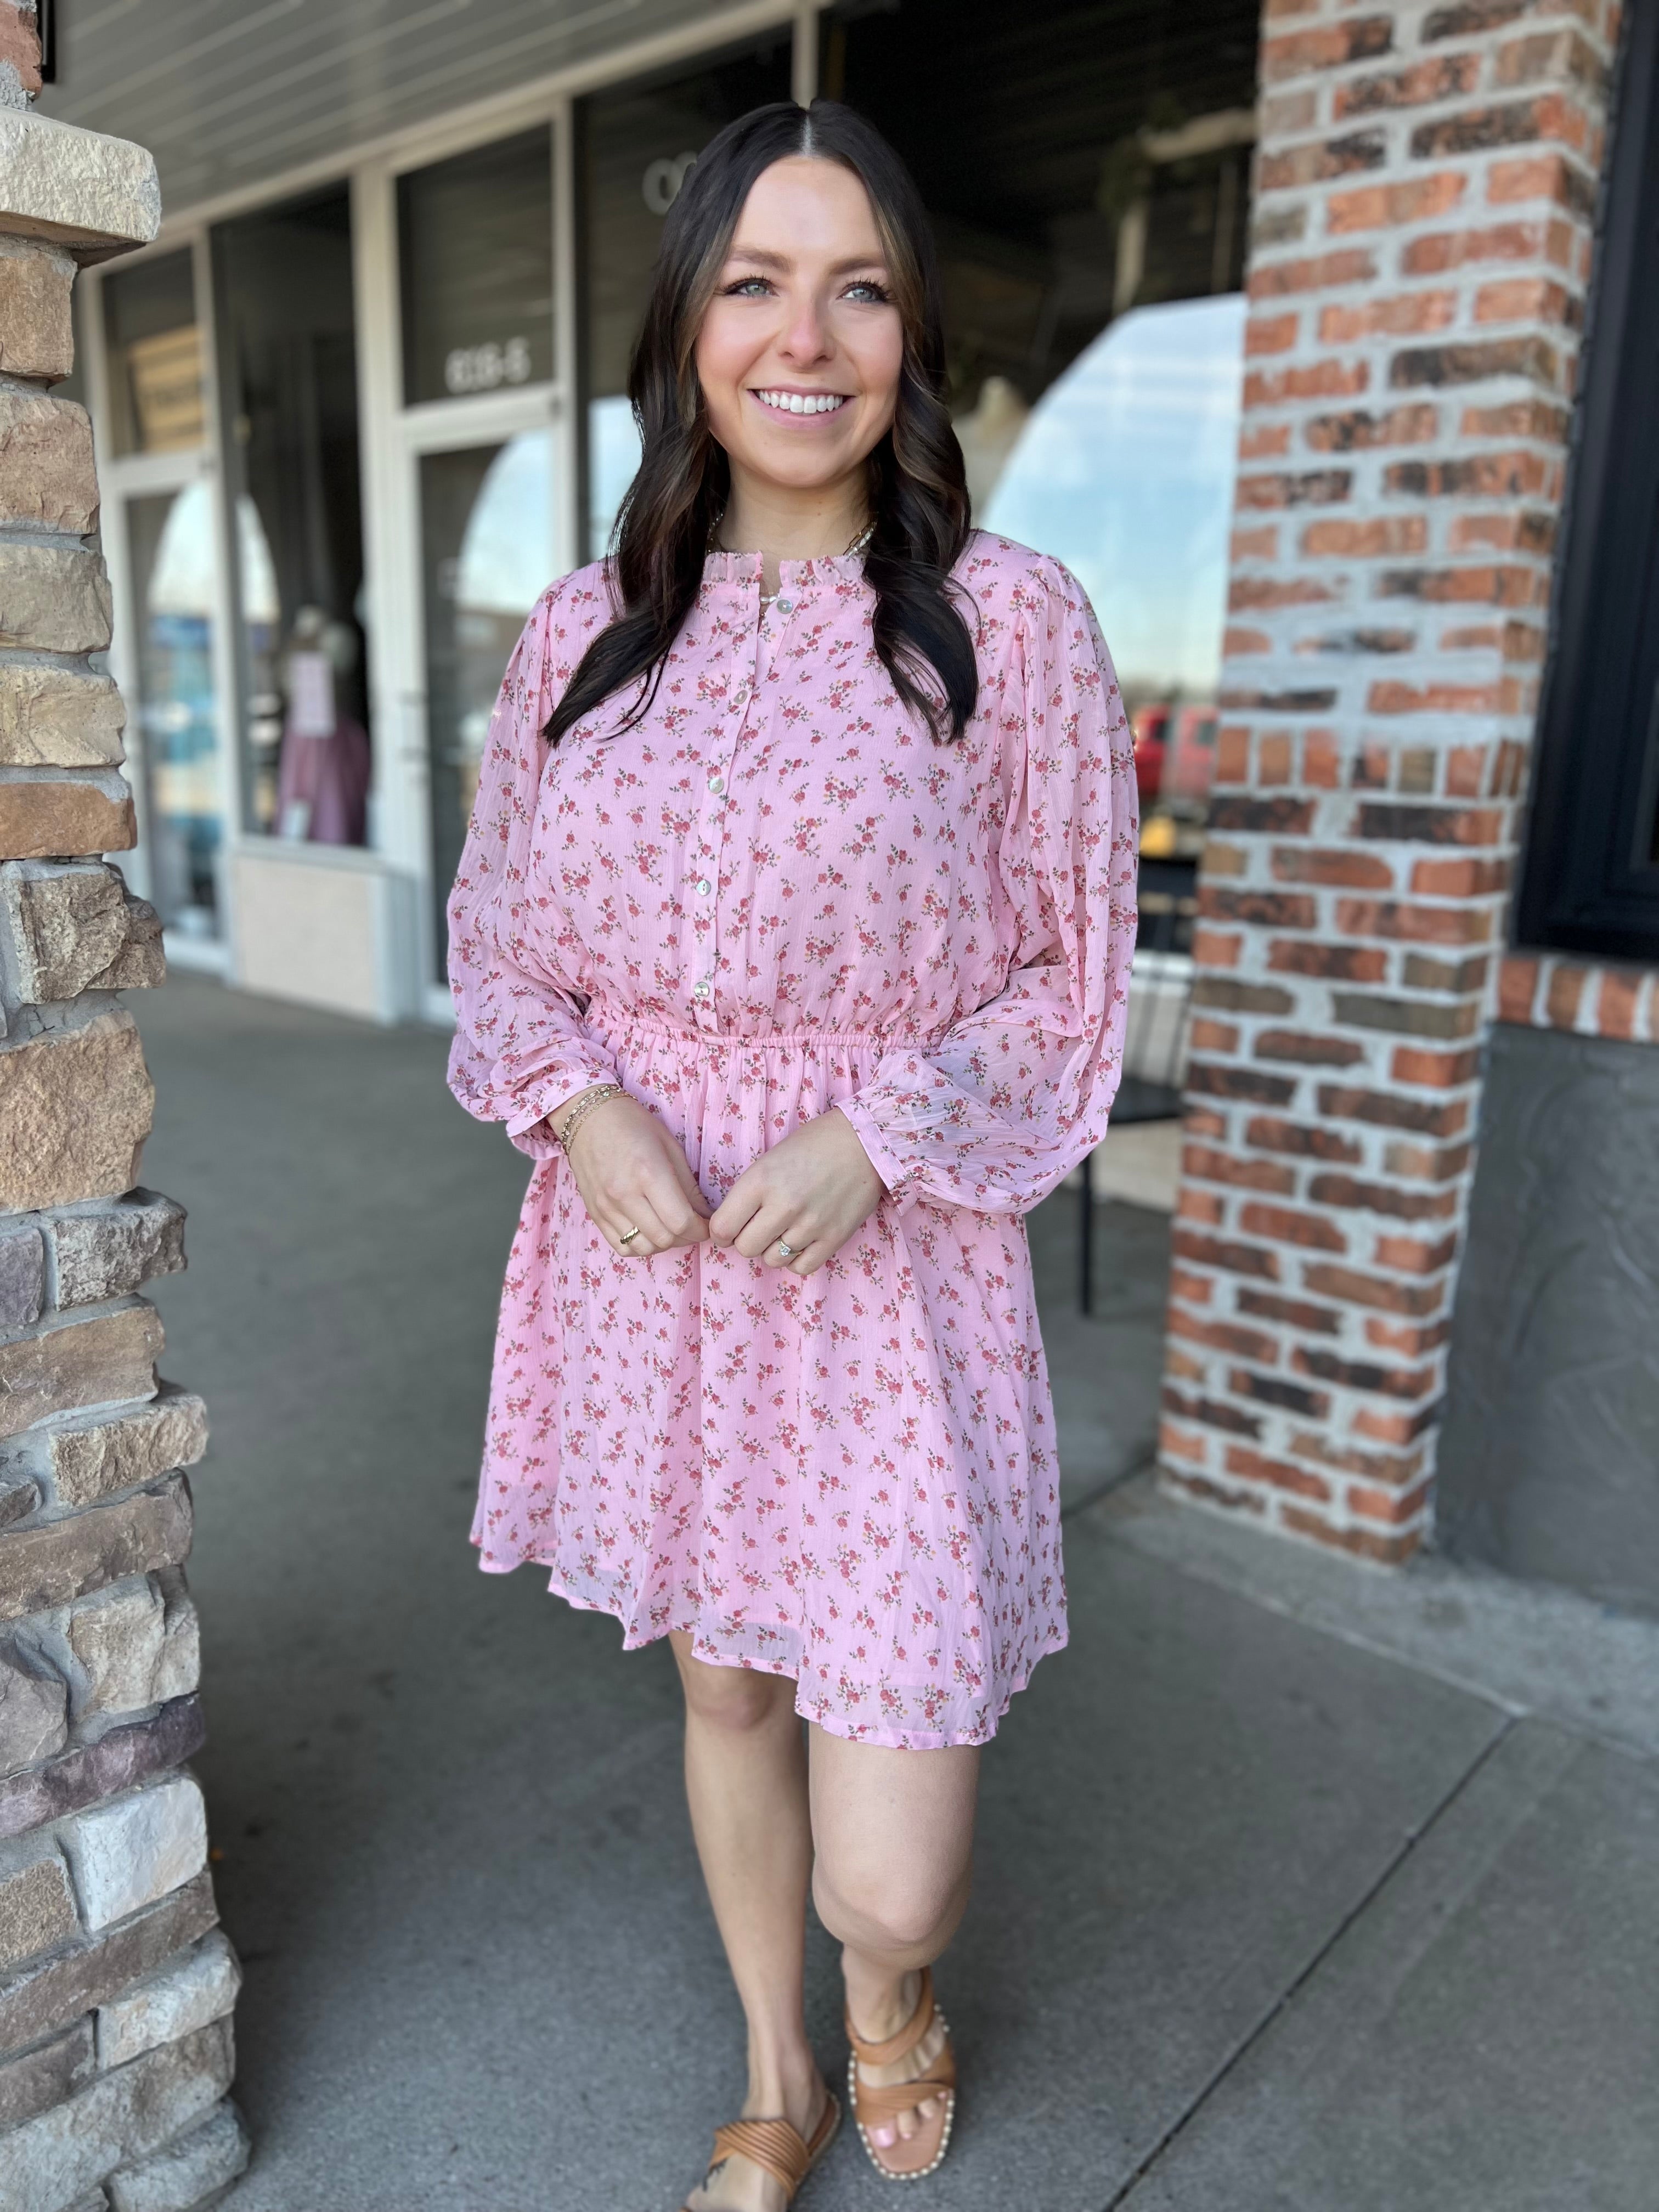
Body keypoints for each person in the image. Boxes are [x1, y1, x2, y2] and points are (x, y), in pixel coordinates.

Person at [447, 99, 1137, 2212]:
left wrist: (887, 1127)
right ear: (690, 329)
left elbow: (1072, 976)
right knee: (730, 1699)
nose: (804, 334)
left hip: (888, 1282)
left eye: (857, 285)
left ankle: (890, 1993)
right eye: (754, 281)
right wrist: (579, 1102)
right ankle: (781, 2074)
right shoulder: (582, 637)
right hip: (663, 1275)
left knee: (897, 1867)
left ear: (911, 332)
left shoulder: (1011, 625)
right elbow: (497, 947)